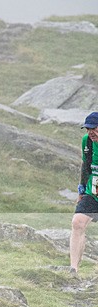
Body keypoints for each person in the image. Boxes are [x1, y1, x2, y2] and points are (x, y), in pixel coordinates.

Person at [70, 111, 98, 275]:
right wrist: (81, 188)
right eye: (87, 129)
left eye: (93, 128)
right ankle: (73, 268)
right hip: (93, 191)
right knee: (77, 222)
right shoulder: (86, 141)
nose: (90, 133)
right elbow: (85, 165)